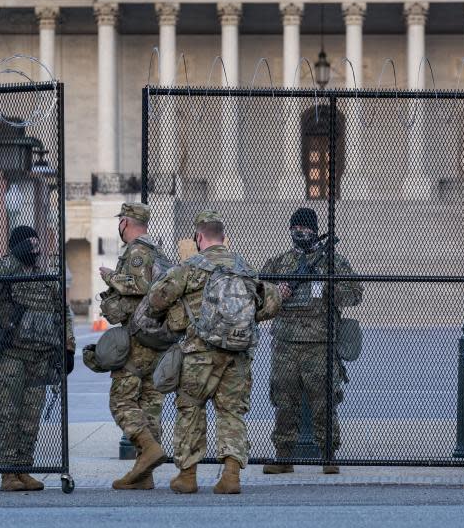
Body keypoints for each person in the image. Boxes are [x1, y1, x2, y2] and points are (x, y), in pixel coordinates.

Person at [146, 210, 280, 494]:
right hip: (238, 354)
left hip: (199, 354)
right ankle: (231, 476)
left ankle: (187, 476)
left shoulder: (191, 267)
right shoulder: (244, 267)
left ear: (199, 237)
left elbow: (157, 298)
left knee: (191, 409)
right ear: (224, 238)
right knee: (232, 412)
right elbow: (266, 307)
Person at [259, 207, 362, 475]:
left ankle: (328, 454)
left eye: (305, 228)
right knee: (284, 401)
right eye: (296, 228)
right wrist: (275, 292)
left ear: (315, 231)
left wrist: (328, 284)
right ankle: (283, 456)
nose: (300, 233)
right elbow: (256, 293)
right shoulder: (278, 264)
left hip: (319, 343)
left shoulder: (332, 262)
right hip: (285, 344)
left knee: (323, 401)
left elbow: (355, 294)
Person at [0, 225, 75, 492]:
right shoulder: (6, 272)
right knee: (8, 414)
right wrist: (12, 258)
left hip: (39, 358)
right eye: (27, 243)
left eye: (36, 241)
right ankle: (8, 473)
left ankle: (24, 468)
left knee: (30, 417)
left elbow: (63, 315)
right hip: (10, 358)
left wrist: (68, 348)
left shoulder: (45, 280)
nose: (34, 246)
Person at [96, 202, 174, 490]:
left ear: (126, 223)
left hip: (136, 339)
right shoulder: (158, 252)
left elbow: (140, 286)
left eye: (121, 221)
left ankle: (147, 450)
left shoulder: (138, 252)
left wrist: (110, 277)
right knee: (150, 405)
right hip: (157, 339)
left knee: (121, 401)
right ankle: (144, 474)